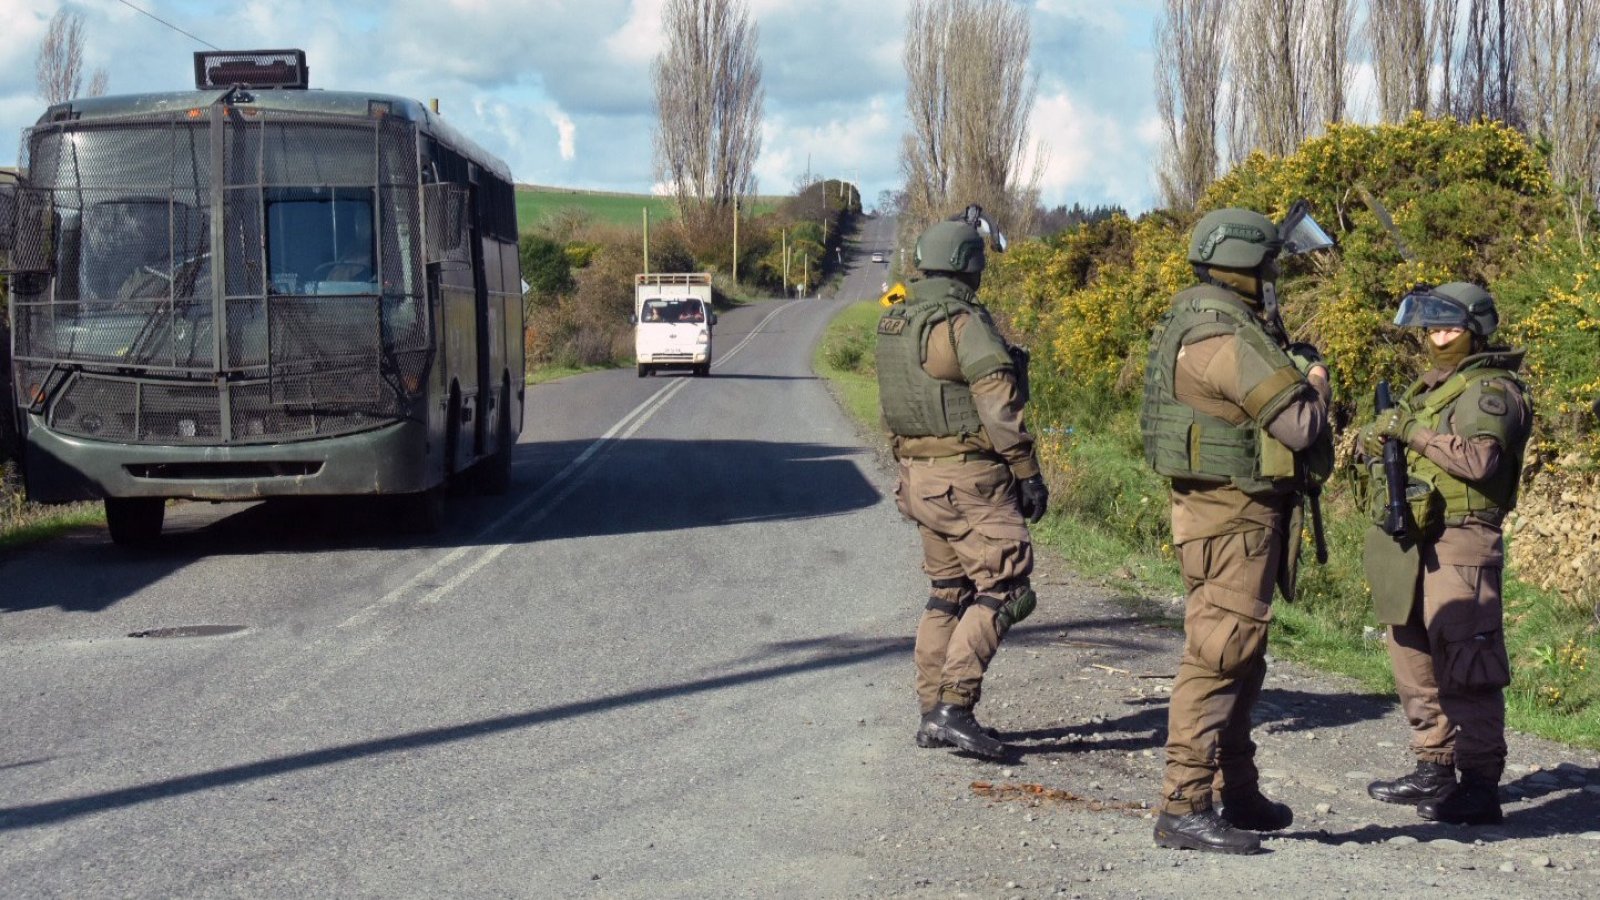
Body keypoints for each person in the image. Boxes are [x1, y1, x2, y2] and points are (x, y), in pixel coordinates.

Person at [1140, 207, 1332, 854]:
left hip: (1219, 515)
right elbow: (1298, 426)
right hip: (1235, 516)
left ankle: (1237, 791)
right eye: (1271, 263)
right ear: (1247, 266)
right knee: (1219, 654)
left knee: (1239, 654)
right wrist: (1316, 382)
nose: (1276, 273)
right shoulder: (1225, 336)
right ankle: (1185, 804)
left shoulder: (1198, 320)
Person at [875, 215, 1047, 760]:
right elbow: (998, 402)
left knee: (948, 592)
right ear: (970, 266)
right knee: (1008, 585)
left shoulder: (897, 321)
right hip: (969, 479)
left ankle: (932, 711)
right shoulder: (963, 321)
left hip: (918, 478)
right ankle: (954, 707)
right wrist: (1027, 471)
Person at [1359, 283, 1532, 826]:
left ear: (1476, 329)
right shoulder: (1429, 389)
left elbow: (1481, 461)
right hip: (1412, 539)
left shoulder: (1491, 389)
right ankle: (1434, 765)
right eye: (1431, 329)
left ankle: (1480, 786)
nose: (1438, 337)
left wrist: (1409, 432)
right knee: (1410, 653)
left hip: (1463, 537)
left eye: (1449, 328)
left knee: (1467, 665)